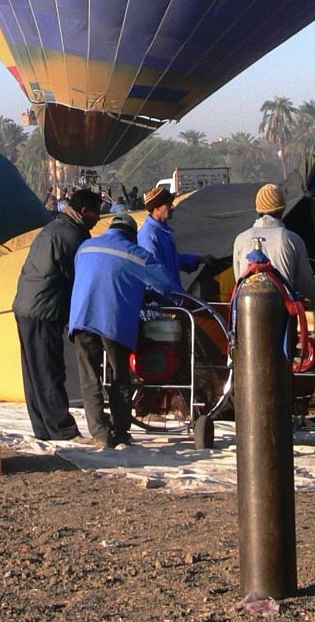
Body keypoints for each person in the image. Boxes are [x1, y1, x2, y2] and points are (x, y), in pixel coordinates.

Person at [11, 186, 102, 439]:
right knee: (50, 371)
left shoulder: (54, 228)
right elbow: (80, 279)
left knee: (34, 374)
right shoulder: (71, 238)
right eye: (96, 214)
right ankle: (62, 430)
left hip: (26, 307)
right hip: (44, 311)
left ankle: (43, 428)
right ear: (85, 212)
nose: (98, 220)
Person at [68, 209, 160, 449]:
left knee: (90, 377)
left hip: (81, 317)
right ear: (131, 235)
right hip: (114, 321)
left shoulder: (86, 246)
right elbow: (165, 283)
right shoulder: (136, 253)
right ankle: (120, 430)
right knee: (120, 376)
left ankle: (100, 433)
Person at [234, 183, 315, 328]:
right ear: (282, 210)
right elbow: (305, 284)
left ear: (258, 210)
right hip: (282, 316)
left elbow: (239, 281)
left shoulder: (240, 239)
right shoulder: (291, 239)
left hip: (247, 316)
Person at [137, 183, 200, 295]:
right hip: (163, 303)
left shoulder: (163, 231)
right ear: (157, 208)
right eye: (168, 204)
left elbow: (172, 259)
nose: (172, 207)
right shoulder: (149, 236)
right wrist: (181, 297)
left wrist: (198, 260)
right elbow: (156, 275)